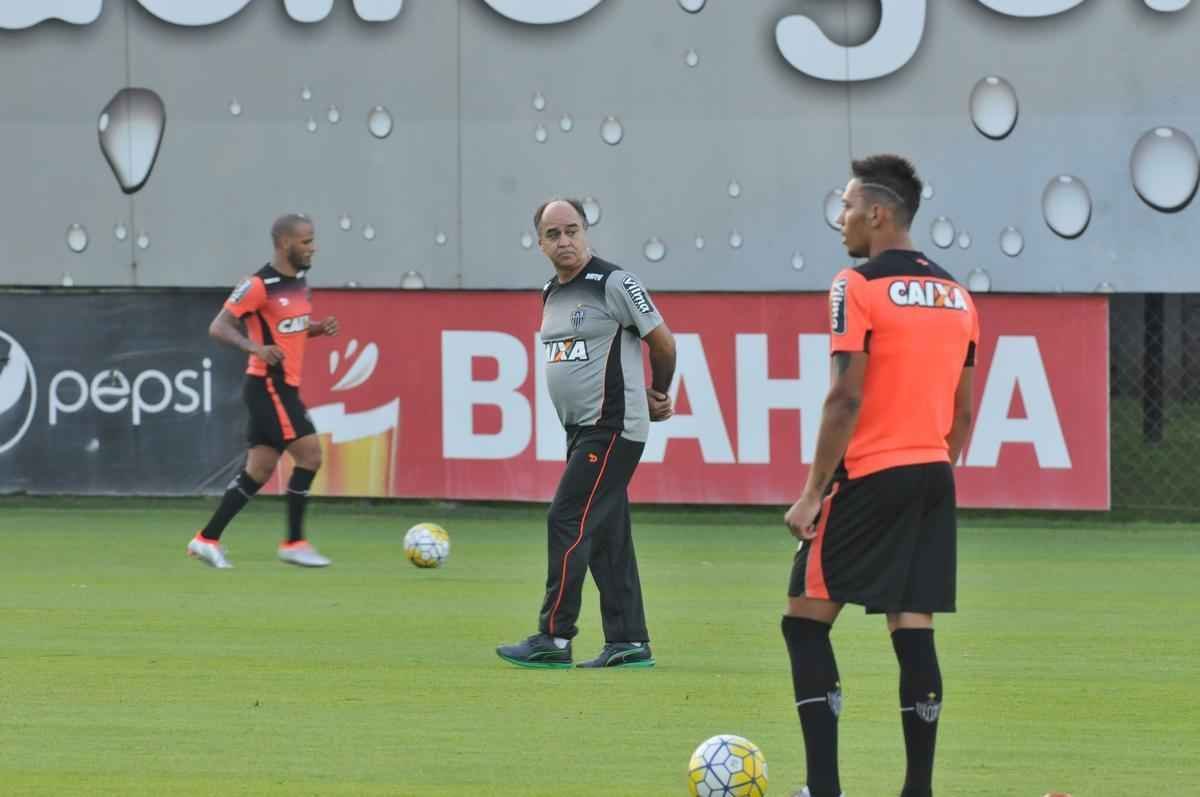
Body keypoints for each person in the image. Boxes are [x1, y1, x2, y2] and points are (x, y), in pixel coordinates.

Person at [782, 155, 979, 797]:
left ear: (877, 212)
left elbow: (845, 397)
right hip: (933, 474)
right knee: (912, 625)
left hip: (869, 475)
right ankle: (918, 790)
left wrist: (812, 493)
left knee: (804, 621)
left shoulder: (855, 285)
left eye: (846, 206)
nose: (840, 219)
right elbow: (963, 411)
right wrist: (932, 467)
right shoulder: (957, 296)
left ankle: (823, 788)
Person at [496, 198, 676, 669]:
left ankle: (554, 637)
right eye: (553, 234)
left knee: (567, 517)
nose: (565, 241)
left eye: (572, 230)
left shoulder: (614, 283)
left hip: (611, 427)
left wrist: (659, 392)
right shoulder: (551, 293)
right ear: (540, 244)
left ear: (586, 232)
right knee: (606, 535)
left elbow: (663, 342)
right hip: (580, 430)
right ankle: (628, 640)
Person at [186, 213, 339, 569]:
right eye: (306, 241)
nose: (313, 248)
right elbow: (218, 326)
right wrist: (255, 348)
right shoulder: (258, 285)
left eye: (313, 240)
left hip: (281, 387)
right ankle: (294, 542)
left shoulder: (299, 282)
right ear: (285, 243)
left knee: (259, 470)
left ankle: (206, 539)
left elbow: (289, 327)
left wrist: (317, 329)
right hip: (269, 385)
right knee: (310, 456)